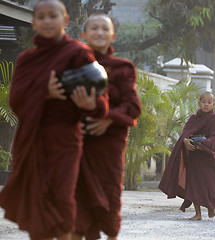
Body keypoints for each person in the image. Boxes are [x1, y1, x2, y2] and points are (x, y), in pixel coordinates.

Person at [0, 1, 108, 239]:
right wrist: (44, 92)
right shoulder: (27, 59)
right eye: (42, 17)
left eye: (53, 16)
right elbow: (15, 100)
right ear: (34, 23)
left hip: (65, 140)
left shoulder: (78, 53)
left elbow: (101, 102)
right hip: (32, 142)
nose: (47, 21)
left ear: (65, 20)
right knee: (36, 202)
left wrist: (89, 105)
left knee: (62, 199)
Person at [72, 14, 141, 240]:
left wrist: (107, 117)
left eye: (105, 29)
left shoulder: (123, 68)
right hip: (76, 142)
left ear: (112, 36)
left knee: (109, 198)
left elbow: (132, 107)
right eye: (94, 28)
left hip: (108, 146)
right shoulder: (71, 65)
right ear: (83, 34)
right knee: (75, 204)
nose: (99, 32)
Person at [158, 92, 215, 220]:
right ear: (199, 103)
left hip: (209, 157)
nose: (206, 104)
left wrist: (202, 145)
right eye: (203, 102)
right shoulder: (194, 118)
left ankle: (211, 208)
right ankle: (198, 214)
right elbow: (185, 134)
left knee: (210, 183)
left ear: (213, 104)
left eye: (209, 102)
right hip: (195, 156)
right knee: (194, 184)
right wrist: (185, 141)